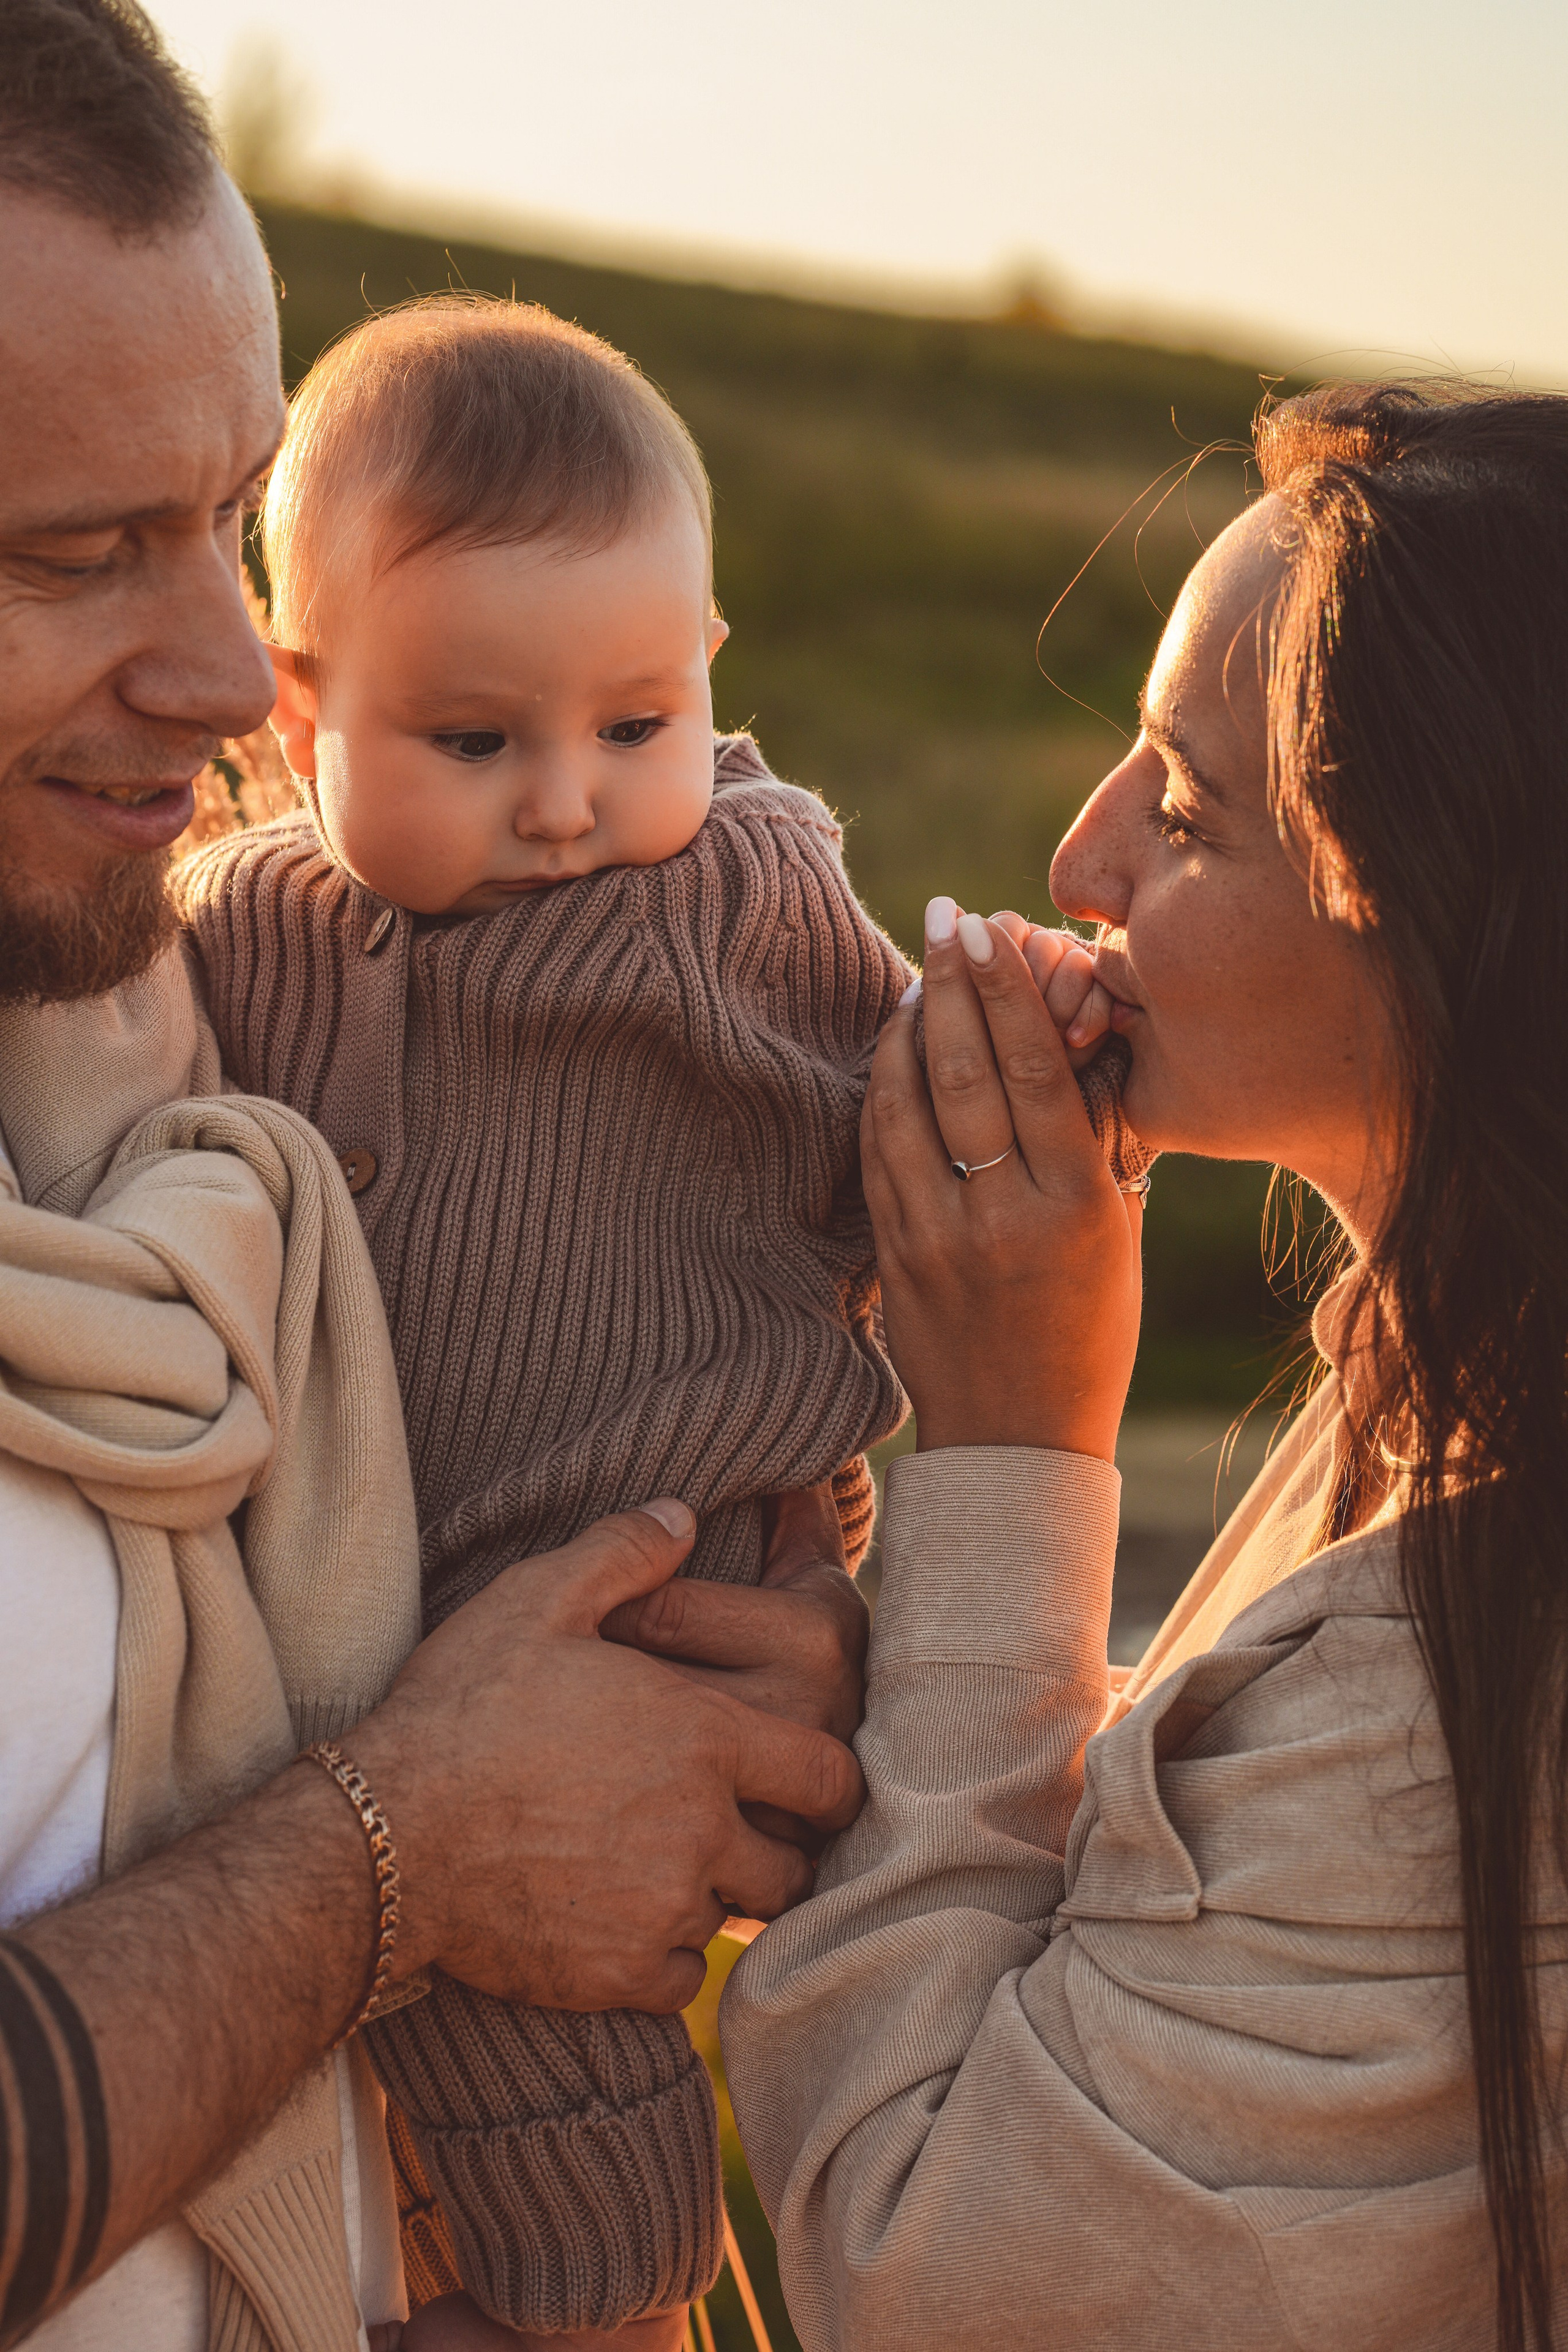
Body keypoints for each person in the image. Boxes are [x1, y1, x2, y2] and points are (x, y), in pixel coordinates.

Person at [0, 7, 867, 2346]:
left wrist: (784, 1667)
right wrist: (420, 1845)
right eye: (80, 551)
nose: (220, 673)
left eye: (223, 510)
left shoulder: (139, 996)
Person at [170, 293, 1150, 2347]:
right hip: (354, 1639)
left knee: (572, 2059)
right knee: (306, 2052)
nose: (564, 800)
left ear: (708, 667)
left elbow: (907, 1075)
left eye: (634, 726)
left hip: (647, 1578)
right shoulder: (239, 925)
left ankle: (590, 2314)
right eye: (471, 740)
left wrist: (1023, 1025)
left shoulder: (744, 892)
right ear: (297, 704)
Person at [722, 383, 1568, 2350]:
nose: (1081, 856)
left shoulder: (1473, 1668)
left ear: (1442, 923)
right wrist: (897, 1705)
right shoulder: (1431, 1384)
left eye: (1185, 811)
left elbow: (918, 2264)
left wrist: (1015, 1434)